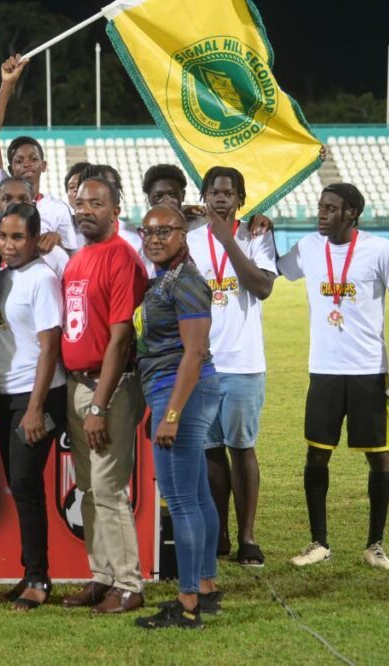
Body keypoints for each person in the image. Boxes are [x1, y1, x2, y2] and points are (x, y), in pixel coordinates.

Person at [278, 183, 389, 571]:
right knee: (316, 453)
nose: (321, 213)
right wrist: (258, 228)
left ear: (351, 213)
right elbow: (272, 269)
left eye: (330, 208)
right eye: (320, 207)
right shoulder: (308, 247)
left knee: (378, 455)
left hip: (368, 369)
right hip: (323, 369)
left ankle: (375, 544)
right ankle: (318, 542)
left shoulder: (379, 249)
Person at [60, 176, 148, 614]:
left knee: (109, 487)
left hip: (106, 389)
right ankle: (102, 577)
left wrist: (99, 404)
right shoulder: (79, 259)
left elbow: (119, 340)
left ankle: (130, 583)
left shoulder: (123, 258)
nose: (85, 210)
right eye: (80, 203)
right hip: (77, 383)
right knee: (89, 488)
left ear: (115, 210)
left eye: (96, 203)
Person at [132, 204, 222, 630]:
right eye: (147, 232)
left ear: (183, 235)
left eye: (164, 231)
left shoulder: (186, 281)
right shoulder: (169, 277)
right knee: (198, 493)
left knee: (182, 500)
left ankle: (186, 603)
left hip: (181, 392)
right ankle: (205, 587)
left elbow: (195, 351)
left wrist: (170, 414)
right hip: (183, 391)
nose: (153, 238)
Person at [188, 167, 276, 566]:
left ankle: (248, 537)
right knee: (209, 452)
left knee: (242, 449)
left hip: (242, 361)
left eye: (229, 193)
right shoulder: (189, 241)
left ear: (241, 198)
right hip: (202, 362)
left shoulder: (257, 235)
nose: (221, 199)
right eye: (214, 192)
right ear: (204, 196)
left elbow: (261, 287)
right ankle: (219, 533)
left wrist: (229, 241)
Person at [0, 202, 66, 610]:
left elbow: (50, 348)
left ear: (36, 239)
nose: (9, 244)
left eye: (18, 237)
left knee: (25, 484)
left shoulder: (43, 280)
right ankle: (29, 571)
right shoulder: (0, 278)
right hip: (5, 396)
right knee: (21, 485)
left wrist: (36, 409)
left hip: (37, 395)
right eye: (3, 236)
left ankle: (38, 577)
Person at [0, 55, 76, 251]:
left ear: (44, 166)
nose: (27, 164)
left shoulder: (58, 208)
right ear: (10, 168)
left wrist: (57, 239)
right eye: (19, 160)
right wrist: (7, 84)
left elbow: (72, 257)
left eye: (34, 159)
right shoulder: (1, 189)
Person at [0, 176, 69, 278]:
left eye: (23, 199)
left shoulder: (53, 253)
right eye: (7, 199)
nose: (16, 204)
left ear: (33, 205)